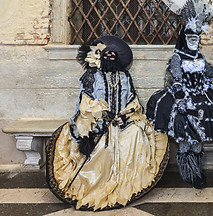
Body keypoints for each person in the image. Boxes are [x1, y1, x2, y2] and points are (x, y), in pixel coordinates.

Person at [46, 36, 169, 210]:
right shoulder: (91, 76)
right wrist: (101, 112)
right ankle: (95, 182)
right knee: (102, 145)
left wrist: (124, 115)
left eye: (114, 55)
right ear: (100, 56)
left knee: (136, 133)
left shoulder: (125, 76)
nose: (110, 57)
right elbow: (85, 100)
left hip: (121, 123)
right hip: (97, 122)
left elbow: (132, 100)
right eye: (107, 54)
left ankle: (128, 180)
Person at [146, 0, 213, 189]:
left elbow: (209, 73)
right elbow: (177, 79)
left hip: (201, 96)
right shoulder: (177, 58)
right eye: (189, 37)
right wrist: (181, 98)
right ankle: (188, 172)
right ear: (184, 38)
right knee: (185, 137)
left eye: (196, 38)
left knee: (199, 137)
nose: (193, 41)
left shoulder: (200, 56)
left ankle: (196, 171)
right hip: (184, 98)